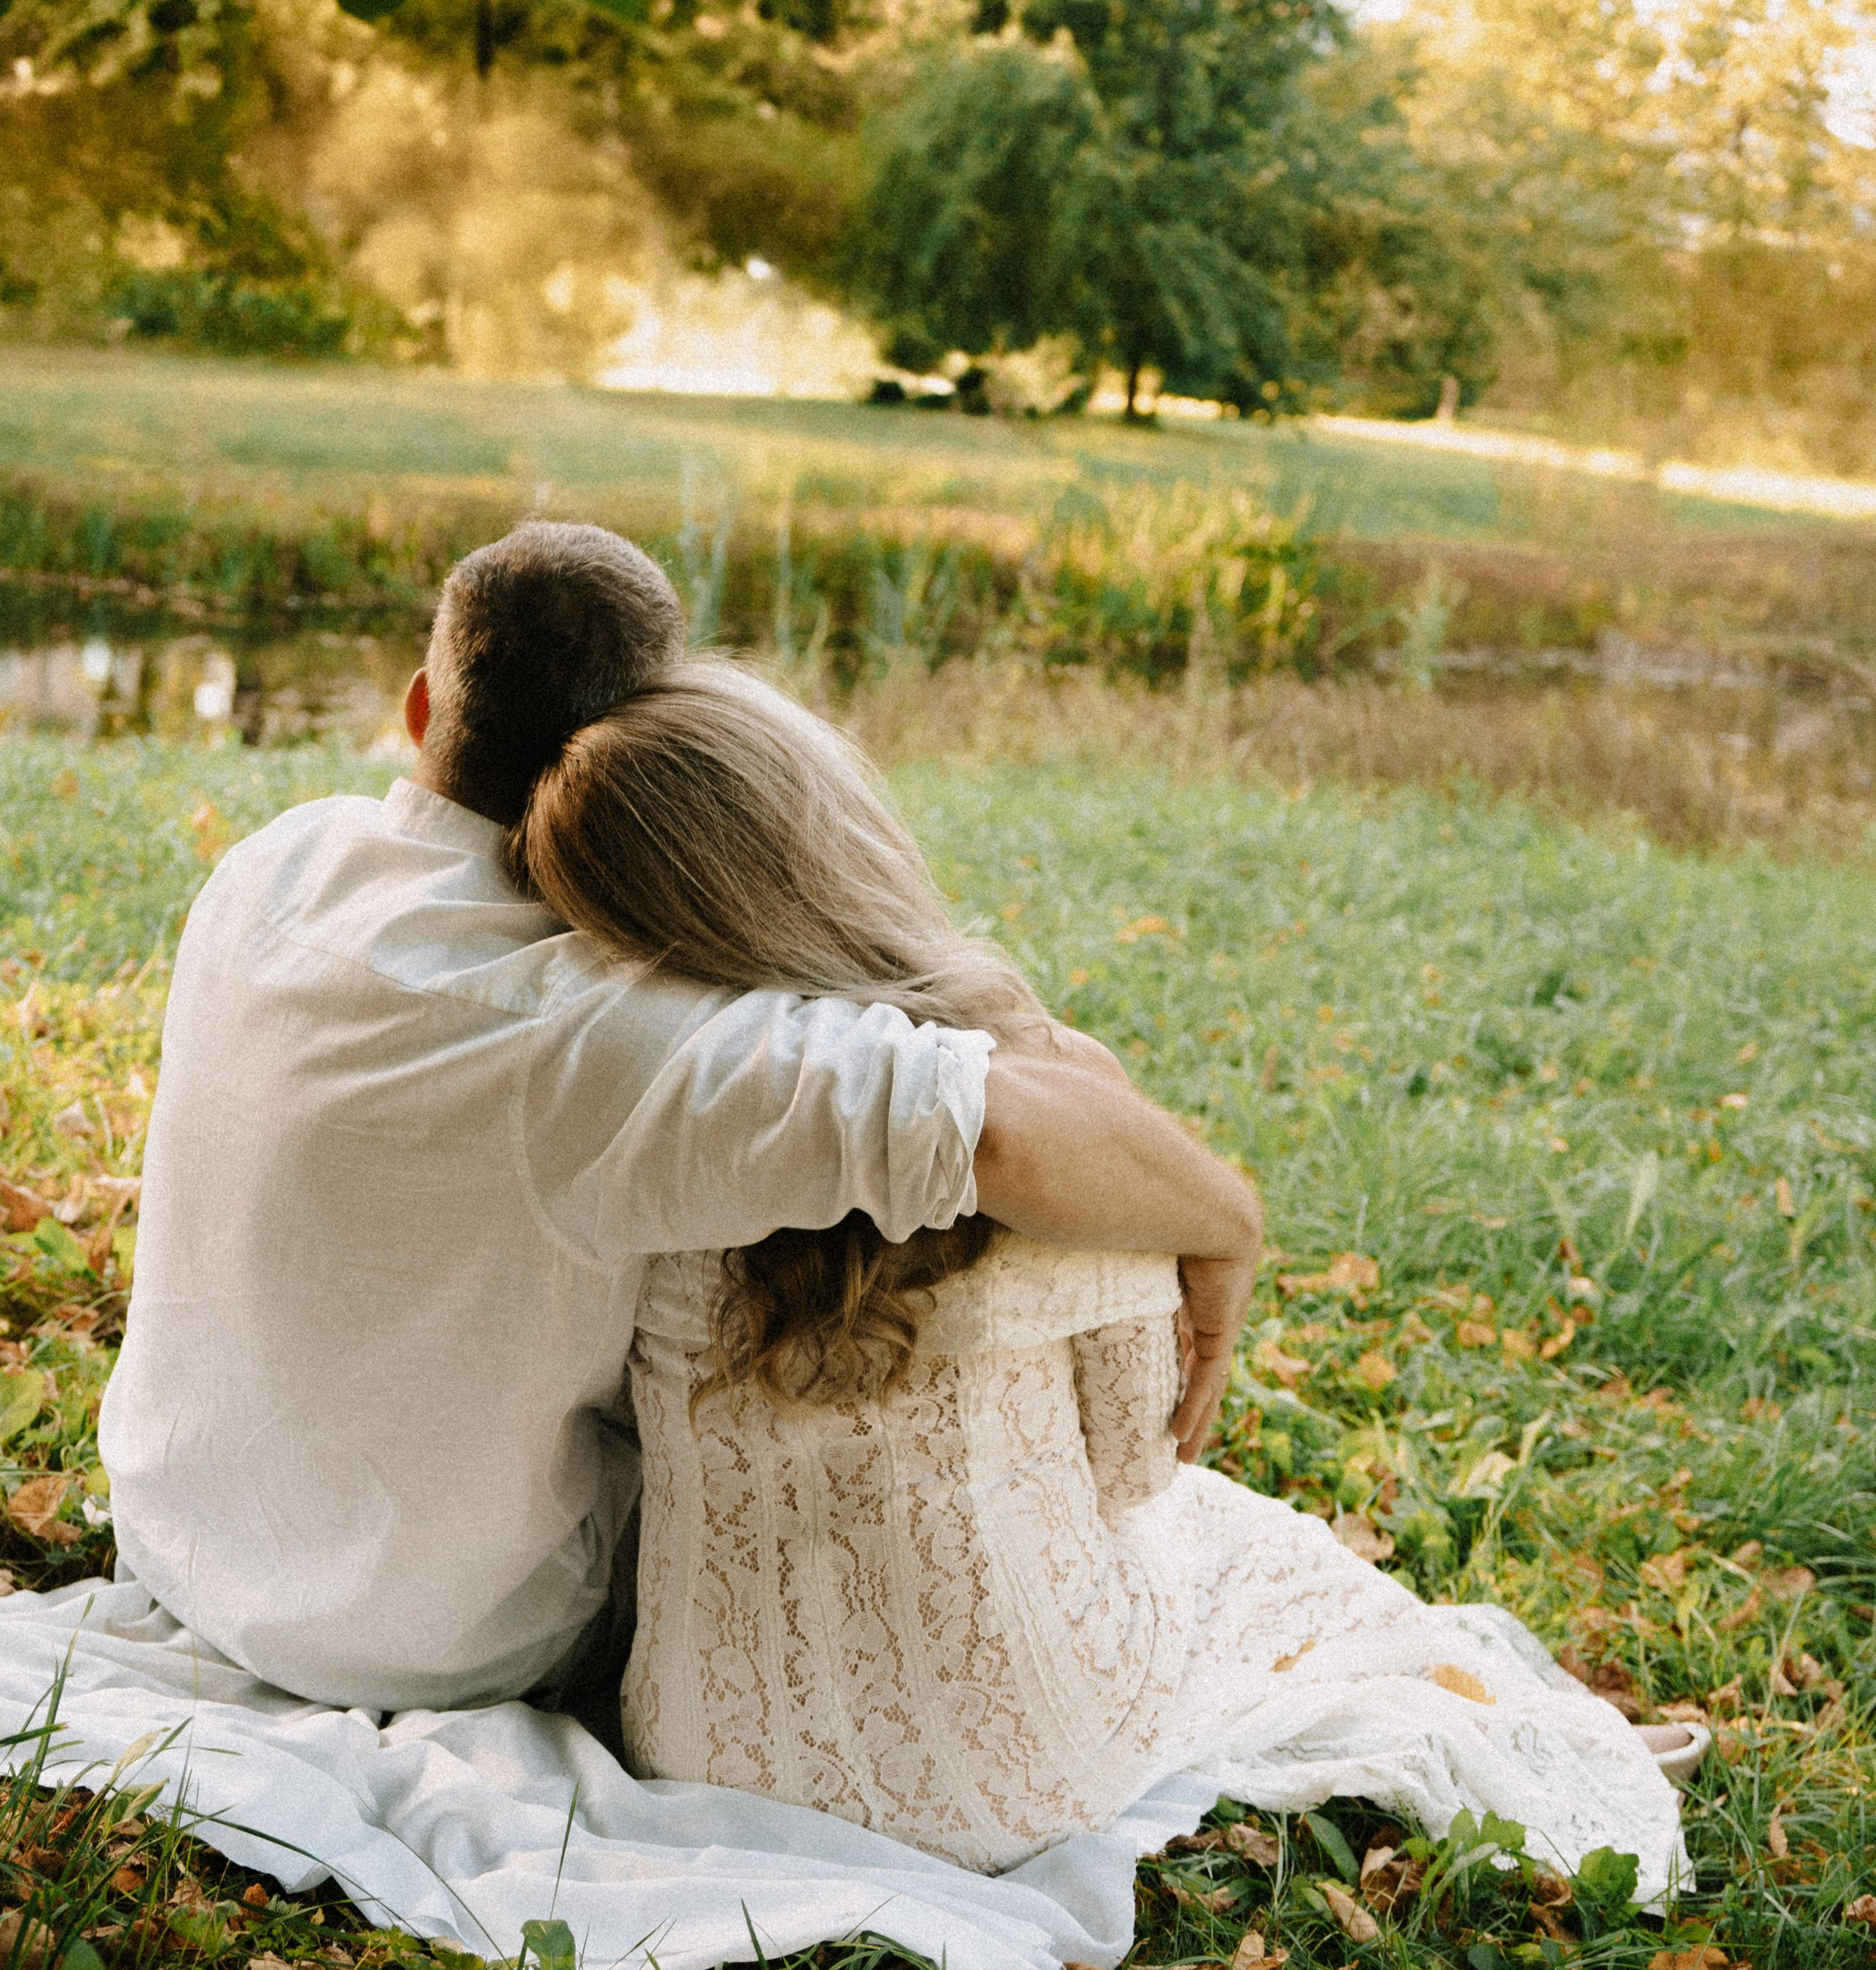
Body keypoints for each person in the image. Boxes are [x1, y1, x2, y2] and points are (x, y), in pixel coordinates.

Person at [512, 661, 1694, 1889]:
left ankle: (1492, 1708)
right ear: (825, 837)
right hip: (1011, 1771)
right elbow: (1136, 1456)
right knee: (1236, 1554)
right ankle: (1521, 1725)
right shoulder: (1042, 1094)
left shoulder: (616, 1119)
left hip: (701, 1739)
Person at [100, 522, 1261, 1716]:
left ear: (417, 709)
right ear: (657, 740)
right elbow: (1006, 1131)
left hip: (179, 1534)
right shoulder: (603, 1041)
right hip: (434, 1641)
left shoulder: (270, 865)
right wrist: (1229, 1220)